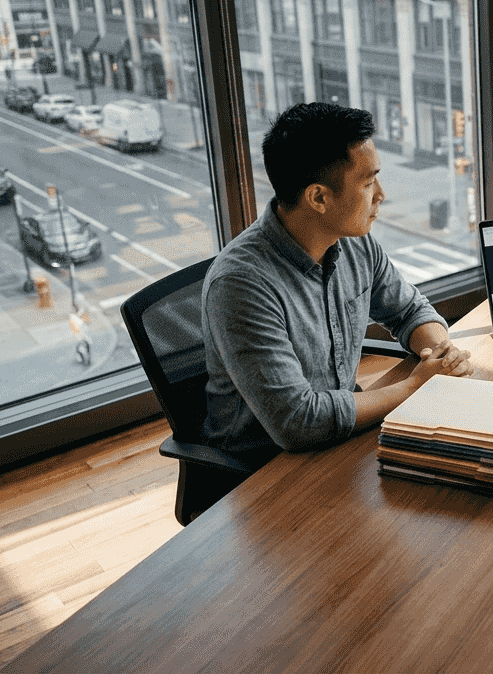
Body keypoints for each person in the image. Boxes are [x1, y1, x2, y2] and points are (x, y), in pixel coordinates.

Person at [202, 102, 474, 466]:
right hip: (267, 468)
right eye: (367, 182)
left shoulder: (353, 241)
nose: (380, 194)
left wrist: (442, 356)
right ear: (318, 197)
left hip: (342, 437)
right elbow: (296, 421)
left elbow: (409, 309)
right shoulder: (240, 285)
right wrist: (415, 385)